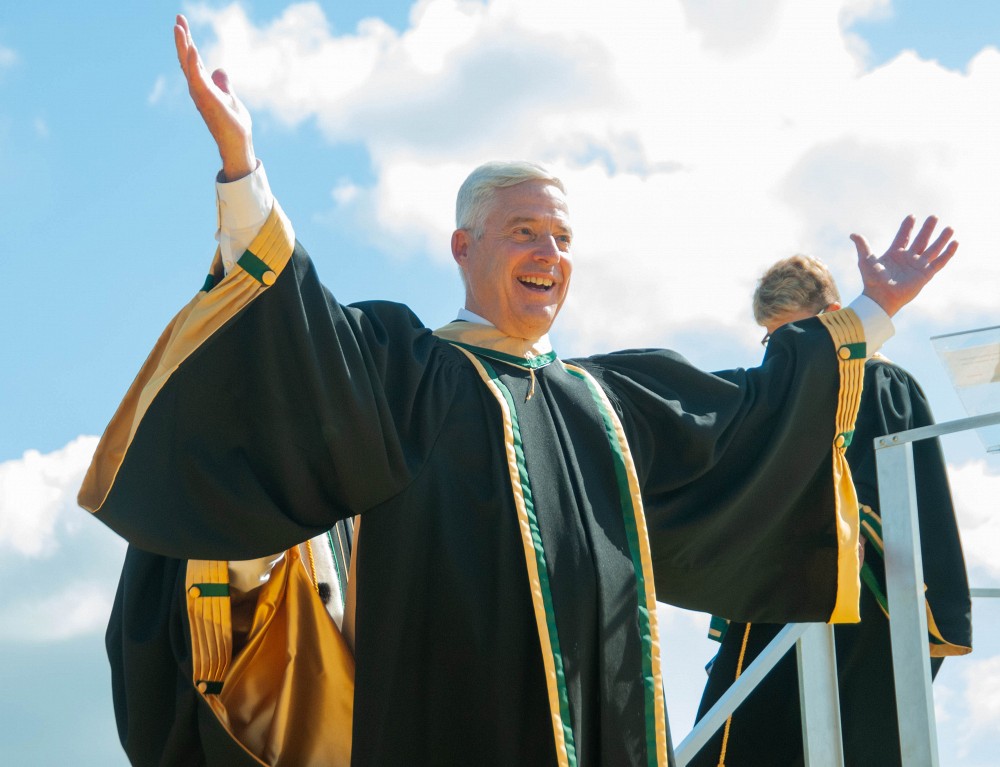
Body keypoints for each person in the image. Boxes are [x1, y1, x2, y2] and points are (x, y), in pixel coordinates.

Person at [78, 15, 959, 767]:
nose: (548, 254)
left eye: (563, 238)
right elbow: (295, 332)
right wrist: (245, 176)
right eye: (524, 232)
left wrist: (873, 308)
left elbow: (751, 419)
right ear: (464, 249)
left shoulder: (608, 403)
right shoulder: (407, 371)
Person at [690, 255, 972, 767]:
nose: (789, 353)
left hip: (853, 596)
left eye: (800, 333)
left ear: (836, 316)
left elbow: (875, 488)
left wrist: (836, 528)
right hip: (780, 587)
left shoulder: (880, 382)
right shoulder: (779, 394)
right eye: (775, 341)